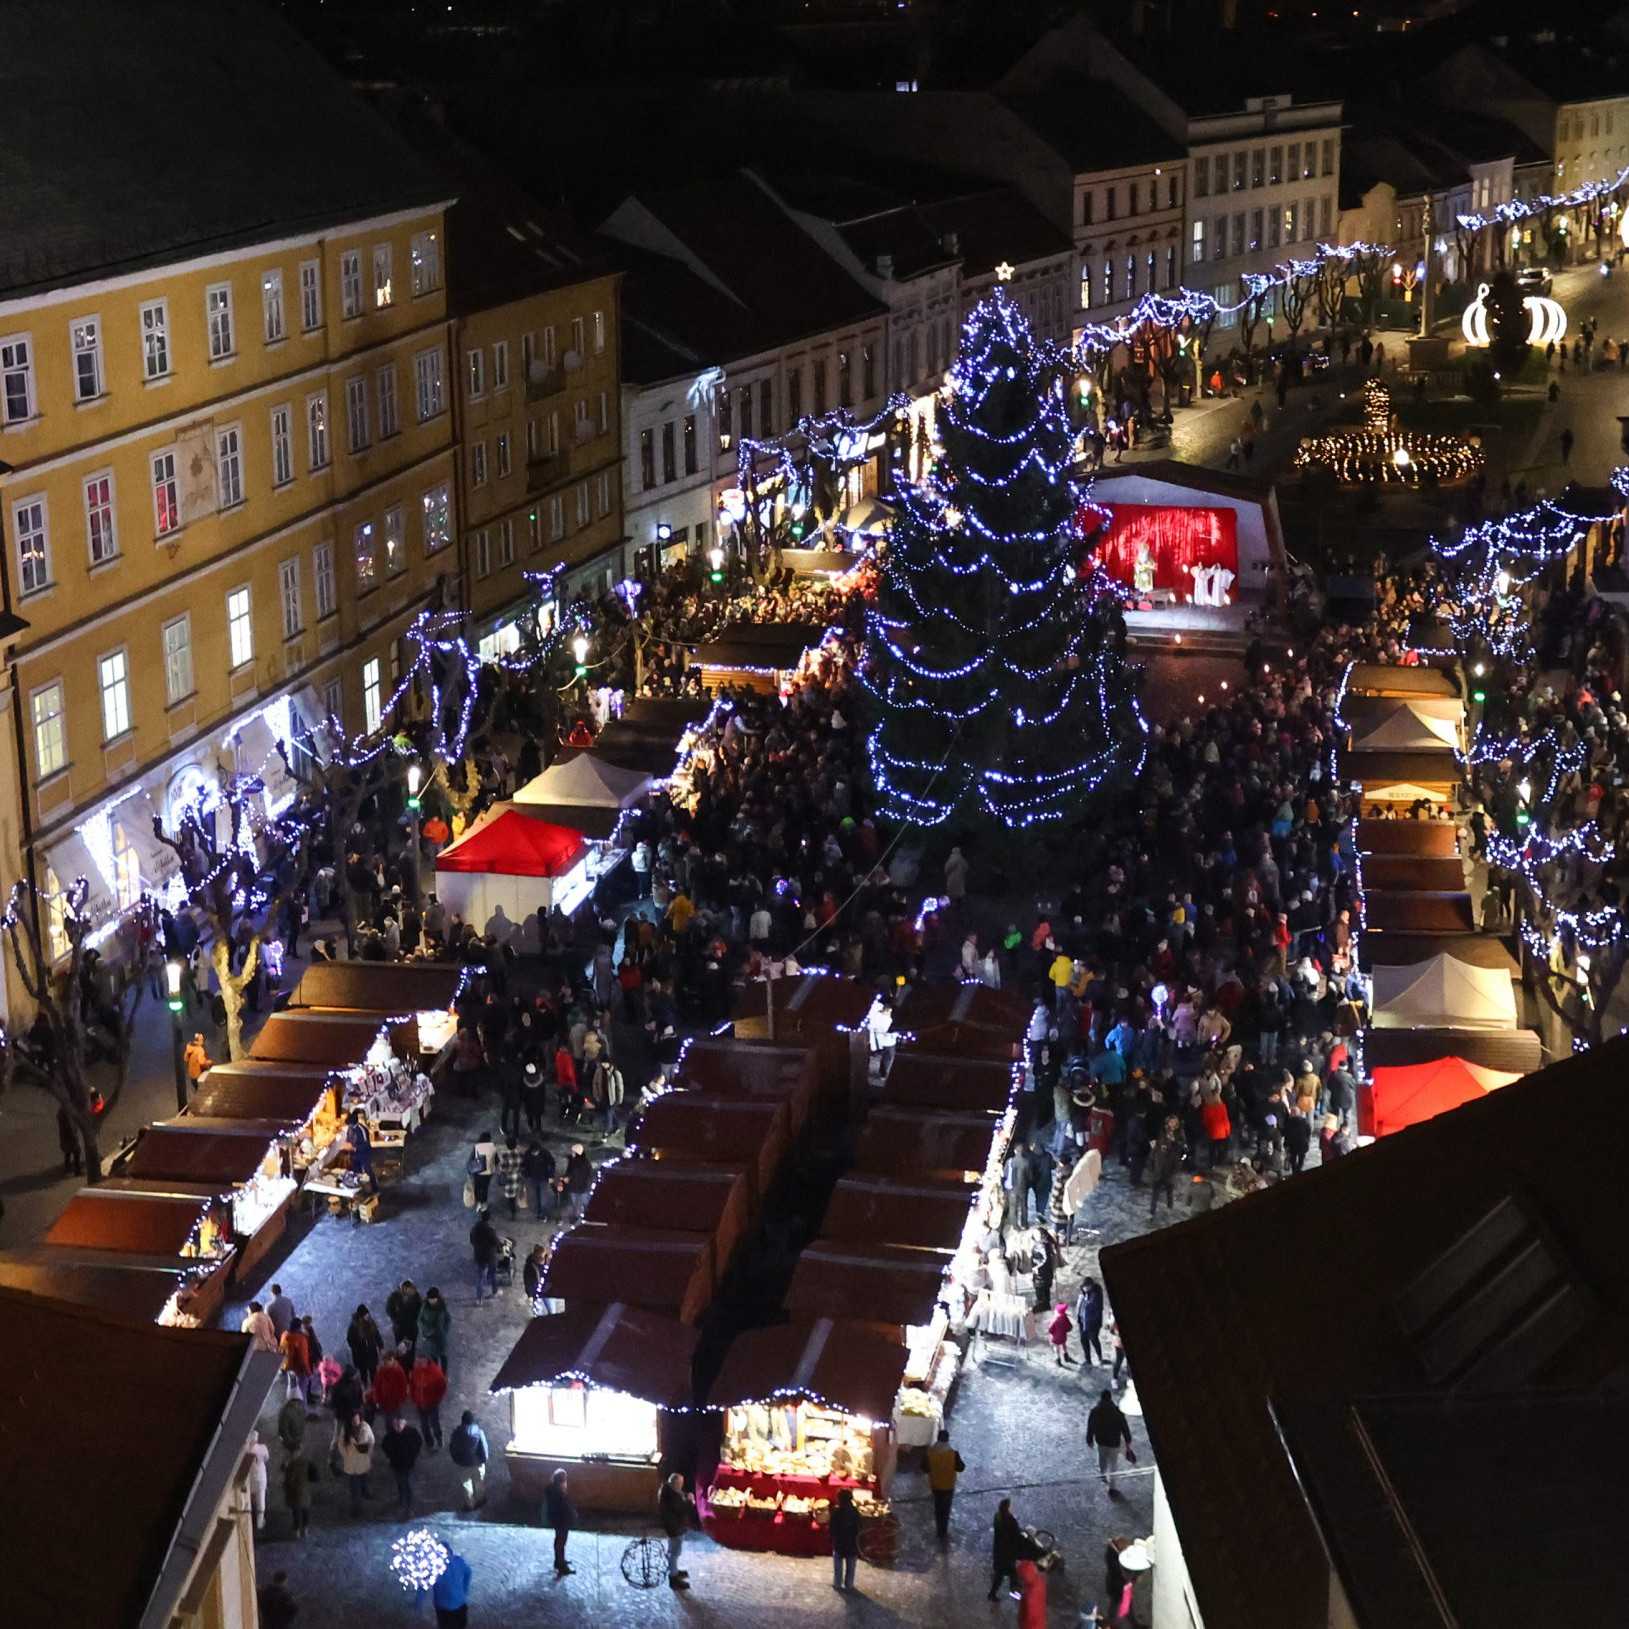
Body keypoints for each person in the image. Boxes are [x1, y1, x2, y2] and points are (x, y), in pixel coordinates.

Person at [1087, 1389, 1135, 1495]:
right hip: (1114, 1443)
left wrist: (1089, 1440)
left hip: (1101, 1442)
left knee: (1102, 1459)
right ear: (1110, 1398)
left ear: (1101, 1398)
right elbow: (1125, 1428)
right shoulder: (1117, 1412)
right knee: (1113, 1464)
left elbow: (1090, 1427)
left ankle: (1102, 1474)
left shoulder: (1095, 1411)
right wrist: (1128, 1441)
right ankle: (1112, 1488)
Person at [925, 1428, 966, 1543]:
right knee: (946, 1509)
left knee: (938, 1508)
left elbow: (924, 1468)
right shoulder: (953, 1453)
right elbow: (961, 1468)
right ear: (948, 1440)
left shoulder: (930, 1452)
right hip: (948, 1485)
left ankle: (939, 1530)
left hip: (935, 1485)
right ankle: (944, 1530)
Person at [658, 1471, 696, 1589]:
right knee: (674, 1553)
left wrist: (686, 1497)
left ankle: (674, 1571)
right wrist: (690, 1501)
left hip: (674, 1526)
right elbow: (681, 1509)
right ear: (675, 1484)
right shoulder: (672, 1496)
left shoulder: (669, 1491)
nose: (682, 1486)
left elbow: (680, 1501)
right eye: (680, 1484)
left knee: (674, 1551)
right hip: (675, 1528)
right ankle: (673, 1578)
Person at [381, 1415, 424, 1518]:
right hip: (397, 1465)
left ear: (404, 1423)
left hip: (408, 1465)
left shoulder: (412, 1433)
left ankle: (408, 1506)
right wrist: (390, 1456)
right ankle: (401, 1499)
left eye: (400, 1424)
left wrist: (413, 1455)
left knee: (408, 1485)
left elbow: (418, 1443)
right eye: (396, 1425)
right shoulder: (390, 1435)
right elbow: (385, 1446)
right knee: (400, 1483)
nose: (398, 1427)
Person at [334, 1412, 375, 1517]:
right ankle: (357, 1509)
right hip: (351, 1463)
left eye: (356, 1419)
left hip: (363, 1461)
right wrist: (346, 1455)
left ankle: (364, 1491)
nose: (354, 1421)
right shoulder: (346, 1429)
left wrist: (368, 1454)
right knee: (354, 1488)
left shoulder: (365, 1427)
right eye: (352, 1419)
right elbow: (340, 1444)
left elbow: (371, 1441)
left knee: (363, 1478)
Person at [990, 1498, 1031, 1601]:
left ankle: (995, 1593)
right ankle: (1014, 1593)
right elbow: (1015, 1534)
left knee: (1003, 1575)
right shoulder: (1008, 1520)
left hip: (999, 1552)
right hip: (1007, 1553)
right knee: (1009, 1574)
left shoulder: (997, 1516)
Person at [448, 1409, 490, 1510]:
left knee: (466, 1485)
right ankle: (480, 1499)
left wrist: (456, 1459)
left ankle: (470, 1504)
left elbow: (452, 1448)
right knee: (479, 1482)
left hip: (463, 1464)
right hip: (477, 1463)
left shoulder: (456, 1433)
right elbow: (484, 1447)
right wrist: (484, 1459)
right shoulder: (479, 1432)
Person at [410, 1353, 448, 1450]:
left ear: (426, 1360)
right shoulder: (416, 1370)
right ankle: (429, 1442)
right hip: (420, 1404)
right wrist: (414, 1397)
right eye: (417, 1360)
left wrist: (436, 1400)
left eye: (419, 1360)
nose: (417, 1362)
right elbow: (412, 1384)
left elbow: (442, 1388)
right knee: (424, 1425)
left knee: (435, 1423)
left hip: (432, 1404)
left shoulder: (436, 1373)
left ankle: (439, 1438)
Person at [545, 1467, 577, 1575]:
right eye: (565, 1479)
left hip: (557, 1521)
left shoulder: (552, 1491)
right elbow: (565, 1508)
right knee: (561, 1543)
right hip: (562, 1522)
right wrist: (572, 1516)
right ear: (561, 1481)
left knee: (559, 1542)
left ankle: (558, 1561)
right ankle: (561, 1566)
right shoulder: (559, 1494)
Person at [830, 1486, 861, 1592]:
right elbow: (859, 1527)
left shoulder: (836, 1512)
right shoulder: (855, 1512)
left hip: (839, 1543)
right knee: (851, 1567)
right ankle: (849, 1584)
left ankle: (837, 1583)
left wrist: (833, 1538)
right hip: (852, 1544)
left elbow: (832, 1528)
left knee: (838, 1567)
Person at [432, 1548, 473, 1628]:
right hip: (459, 1603)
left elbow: (423, 1585)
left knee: (444, 1625)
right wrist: (465, 1589)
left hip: (441, 1606)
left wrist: (418, 1603)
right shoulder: (458, 1561)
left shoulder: (433, 1567)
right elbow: (468, 1572)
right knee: (461, 1625)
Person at [417, 1287, 452, 1380]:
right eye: (430, 1299)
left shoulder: (442, 1307)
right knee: (434, 1356)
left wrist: (445, 1330)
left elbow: (448, 1319)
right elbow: (420, 1320)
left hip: (441, 1337)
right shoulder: (424, 1307)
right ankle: (436, 1374)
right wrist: (425, 1331)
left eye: (433, 1299)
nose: (432, 1301)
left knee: (443, 1356)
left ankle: (443, 1375)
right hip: (430, 1336)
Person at [347, 1304, 384, 1388]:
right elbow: (350, 1340)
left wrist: (381, 1346)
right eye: (366, 1315)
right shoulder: (353, 1326)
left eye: (368, 1314)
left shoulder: (371, 1322)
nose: (368, 1316)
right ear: (361, 1316)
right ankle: (365, 1388)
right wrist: (357, 1348)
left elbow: (377, 1334)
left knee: (373, 1371)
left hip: (371, 1352)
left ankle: (374, 1389)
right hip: (361, 1355)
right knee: (363, 1373)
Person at [281, 1441, 312, 1539]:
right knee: (303, 1510)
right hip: (301, 1489)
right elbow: (314, 1475)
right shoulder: (305, 1461)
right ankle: (303, 1529)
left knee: (298, 1511)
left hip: (295, 1489)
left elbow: (284, 1471)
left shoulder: (289, 1462)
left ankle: (298, 1530)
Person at [278, 1316, 312, 1403]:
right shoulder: (300, 1339)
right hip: (299, 1370)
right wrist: (308, 1373)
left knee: (291, 1386)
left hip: (287, 1367)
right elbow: (303, 1359)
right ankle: (301, 1411)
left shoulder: (284, 1335)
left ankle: (290, 1403)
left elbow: (281, 1350)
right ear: (298, 1327)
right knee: (302, 1392)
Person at [372, 1346, 409, 1423]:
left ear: (393, 1360)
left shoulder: (399, 1371)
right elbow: (376, 1385)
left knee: (397, 1418)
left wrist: (401, 1398)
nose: (387, 1363)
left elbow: (403, 1386)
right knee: (388, 1420)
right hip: (384, 1401)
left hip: (395, 1401)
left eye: (389, 1360)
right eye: (385, 1361)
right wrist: (377, 1399)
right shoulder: (381, 1371)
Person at [470, 1207, 501, 1300]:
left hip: (479, 1255)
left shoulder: (475, 1228)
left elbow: (471, 1240)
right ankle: (494, 1292)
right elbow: (496, 1242)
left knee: (479, 1277)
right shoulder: (490, 1230)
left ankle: (479, 1299)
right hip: (490, 1256)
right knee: (492, 1274)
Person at [385, 1279, 422, 1353]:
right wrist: (395, 1319)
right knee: (401, 1348)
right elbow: (389, 1309)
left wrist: (415, 1318)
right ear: (403, 1288)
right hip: (399, 1327)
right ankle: (402, 1362)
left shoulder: (415, 1295)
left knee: (411, 1348)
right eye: (407, 1289)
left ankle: (410, 1362)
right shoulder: (394, 1296)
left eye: (410, 1289)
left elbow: (420, 1308)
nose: (409, 1292)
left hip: (412, 1326)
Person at [1076, 1277, 1106, 1365]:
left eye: (1086, 1287)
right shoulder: (1083, 1293)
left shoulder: (1096, 1295)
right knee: (1083, 1340)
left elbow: (1096, 1310)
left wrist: (1091, 1322)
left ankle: (1100, 1358)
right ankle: (1088, 1360)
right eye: (1083, 1287)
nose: (1084, 1288)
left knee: (1094, 1339)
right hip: (1082, 1321)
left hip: (1092, 1323)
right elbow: (1081, 1307)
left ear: (1091, 1286)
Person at [495, 1135, 524, 1219]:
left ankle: (513, 1212)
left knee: (511, 1197)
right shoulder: (520, 1154)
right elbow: (522, 1165)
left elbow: (502, 1168)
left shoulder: (505, 1155)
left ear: (507, 1145)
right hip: (518, 1176)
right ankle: (517, 1203)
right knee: (517, 1191)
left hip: (509, 1178)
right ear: (515, 1144)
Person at [246, 1431, 270, 1532]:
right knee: (260, 1502)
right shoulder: (263, 1448)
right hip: (260, 1479)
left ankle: (250, 1523)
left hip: (251, 1479)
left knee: (249, 1501)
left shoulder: (246, 1449)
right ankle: (259, 1523)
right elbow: (266, 1458)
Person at [1048, 1301, 1074, 1366]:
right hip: (1063, 1336)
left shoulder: (1055, 1319)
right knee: (1064, 1345)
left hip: (1055, 1337)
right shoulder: (1065, 1318)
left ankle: (1058, 1359)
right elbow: (1070, 1327)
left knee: (1056, 1347)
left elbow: (1050, 1329)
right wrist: (1065, 1330)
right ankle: (1066, 1356)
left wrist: (1051, 1332)